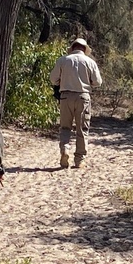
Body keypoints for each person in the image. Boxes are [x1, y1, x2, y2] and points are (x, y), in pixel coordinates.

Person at [49, 37, 103, 168]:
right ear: (84, 49)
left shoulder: (63, 60)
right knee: (82, 129)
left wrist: (62, 82)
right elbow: (98, 82)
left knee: (65, 127)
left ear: (72, 48)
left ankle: (65, 149)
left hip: (65, 97)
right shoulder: (90, 62)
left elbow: (53, 79)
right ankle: (79, 159)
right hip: (83, 97)